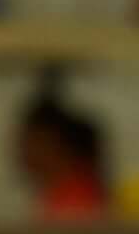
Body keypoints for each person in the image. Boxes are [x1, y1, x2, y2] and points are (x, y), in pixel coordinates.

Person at [14, 79, 111, 221]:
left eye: (27, 140)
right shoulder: (60, 193)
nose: (20, 150)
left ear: (52, 142)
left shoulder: (76, 198)